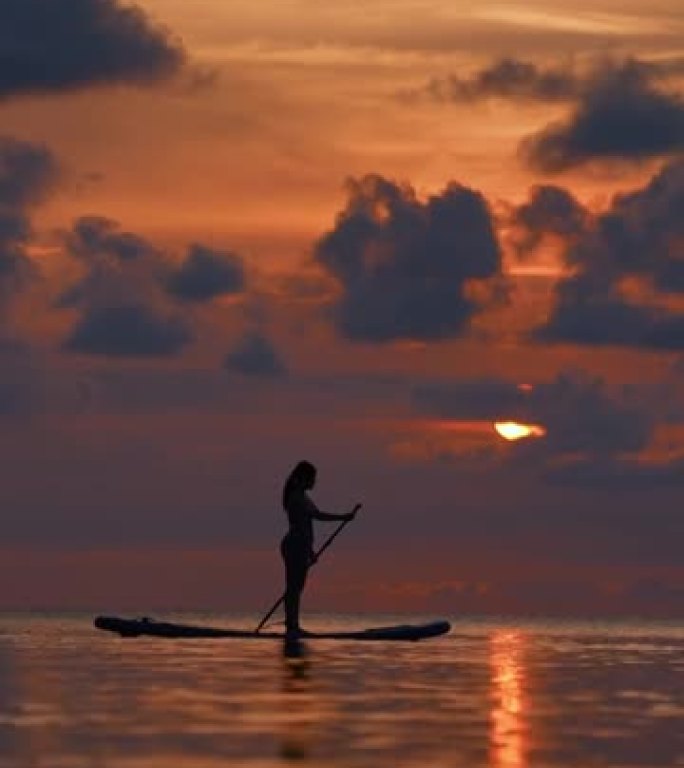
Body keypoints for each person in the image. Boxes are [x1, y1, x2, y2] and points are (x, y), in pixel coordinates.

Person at [281, 460, 360, 637]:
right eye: (312, 478)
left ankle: (292, 624)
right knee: (293, 587)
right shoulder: (296, 498)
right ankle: (291, 626)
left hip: (300, 545)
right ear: (303, 478)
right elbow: (307, 524)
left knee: (296, 587)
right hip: (295, 545)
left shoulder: (303, 497)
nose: (315, 482)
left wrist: (310, 551)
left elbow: (313, 520)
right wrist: (343, 518)